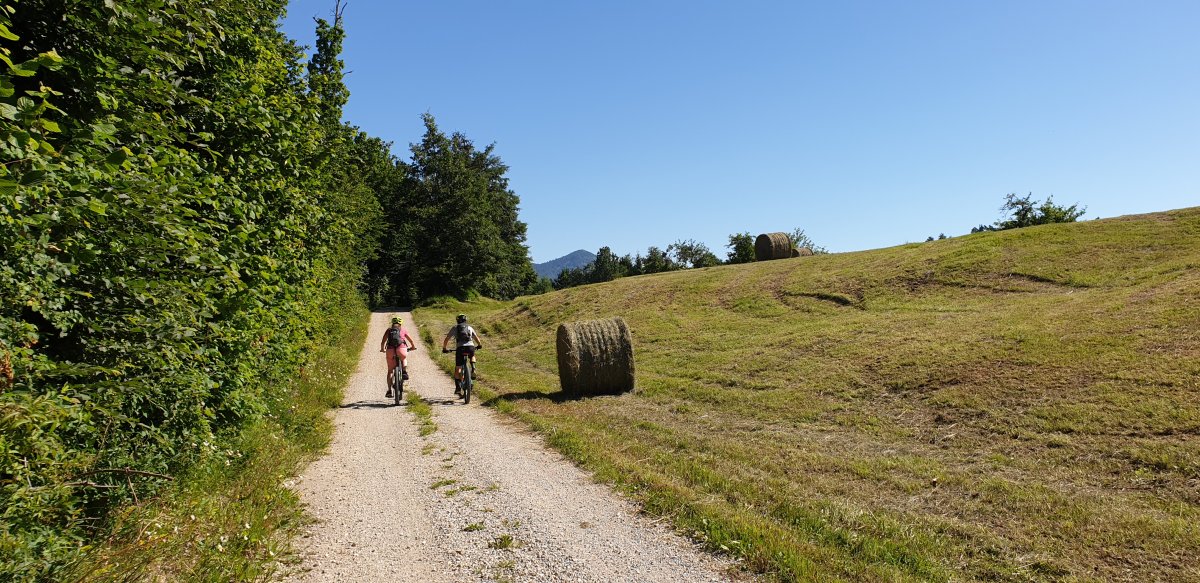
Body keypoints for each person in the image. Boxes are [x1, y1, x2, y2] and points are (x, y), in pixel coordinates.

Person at [441, 313, 483, 395]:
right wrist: (479, 345)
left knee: (458, 368)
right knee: (472, 356)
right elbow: (476, 337)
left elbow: (447, 339)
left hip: (460, 348)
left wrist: (444, 348)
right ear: (465, 320)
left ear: (457, 320)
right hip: (470, 347)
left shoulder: (455, 327)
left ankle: (458, 388)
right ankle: (473, 368)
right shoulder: (469, 327)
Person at [379, 316, 416, 398]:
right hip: (401, 349)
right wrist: (413, 347)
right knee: (404, 358)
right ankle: (404, 371)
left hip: (390, 350)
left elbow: (383, 341)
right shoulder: (403, 330)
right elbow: (411, 340)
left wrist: (382, 349)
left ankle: (389, 391)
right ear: (400, 324)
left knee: (390, 371)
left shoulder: (389, 330)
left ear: (392, 323)